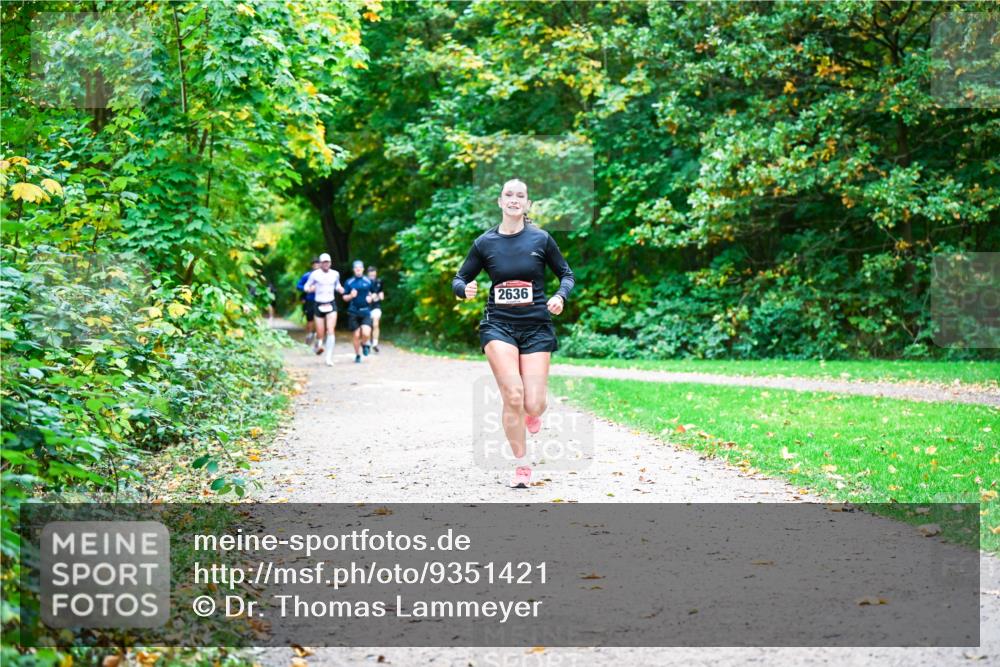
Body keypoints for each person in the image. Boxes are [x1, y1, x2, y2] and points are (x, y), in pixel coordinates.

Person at [452, 179, 574, 489]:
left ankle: (532, 414)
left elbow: (566, 274)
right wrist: (464, 289)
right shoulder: (485, 242)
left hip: (536, 327)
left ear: (527, 204)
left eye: (521, 195)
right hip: (498, 325)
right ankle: (522, 464)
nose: (514, 199)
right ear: (500, 201)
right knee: (513, 395)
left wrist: (560, 296)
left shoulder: (541, 239)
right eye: (509, 194)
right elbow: (459, 278)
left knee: (534, 404)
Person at [303, 253, 344, 366]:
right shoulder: (314, 274)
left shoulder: (335, 274)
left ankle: (328, 358)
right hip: (319, 304)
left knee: (330, 330)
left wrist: (340, 289)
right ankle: (318, 343)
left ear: (330, 263)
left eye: (328, 262)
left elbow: (337, 285)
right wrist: (309, 289)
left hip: (331, 303)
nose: (326, 264)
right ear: (320, 263)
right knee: (320, 332)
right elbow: (306, 286)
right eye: (324, 262)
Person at [343, 259, 374, 364]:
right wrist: (351, 296)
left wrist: (371, 298)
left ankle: (364, 344)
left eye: (360, 268)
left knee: (366, 333)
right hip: (353, 311)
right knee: (356, 335)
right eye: (356, 268)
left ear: (363, 269)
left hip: (365, 311)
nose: (358, 270)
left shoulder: (368, 281)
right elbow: (344, 297)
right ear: (353, 270)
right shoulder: (349, 282)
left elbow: (374, 293)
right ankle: (357, 355)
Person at [296, 257, 320, 345]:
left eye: (317, 264)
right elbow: (298, 286)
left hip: (322, 300)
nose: (316, 265)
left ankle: (318, 336)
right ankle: (309, 334)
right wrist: (307, 289)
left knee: (320, 318)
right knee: (310, 319)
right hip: (310, 300)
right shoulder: (307, 275)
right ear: (312, 266)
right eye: (314, 264)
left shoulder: (324, 275)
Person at [366, 265, 385, 353]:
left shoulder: (379, 282)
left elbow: (381, 293)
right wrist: (370, 296)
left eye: (374, 274)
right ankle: (368, 343)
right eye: (371, 274)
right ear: (368, 274)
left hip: (376, 306)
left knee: (375, 324)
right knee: (368, 326)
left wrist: (380, 295)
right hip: (366, 307)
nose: (372, 276)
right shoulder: (364, 282)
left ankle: (375, 343)